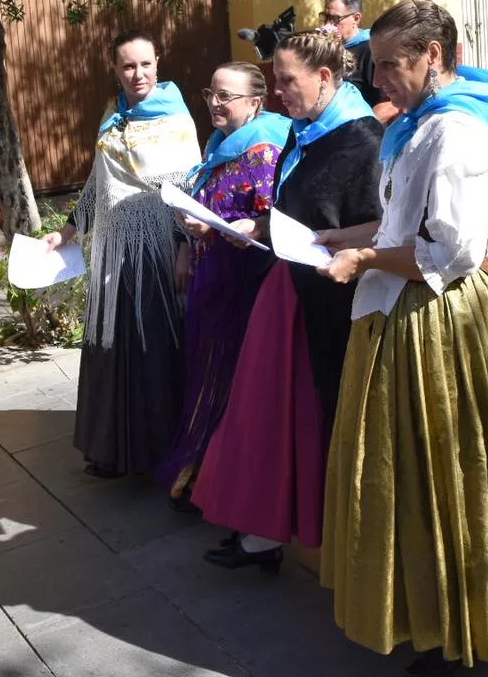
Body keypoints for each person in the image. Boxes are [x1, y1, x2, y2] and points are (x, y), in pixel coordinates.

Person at [319, 0, 488, 677]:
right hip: (405, 317)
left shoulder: (455, 135)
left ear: (432, 56)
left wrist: (362, 261)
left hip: (444, 325)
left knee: (459, 473)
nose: (377, 80)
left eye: (388, 66)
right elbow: (402, 223)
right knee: (419, 478)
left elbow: (447, 253)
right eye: (373, 65)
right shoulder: (418, 125)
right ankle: (435, 615)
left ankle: (476, 631)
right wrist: (349, 237)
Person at [191, 30, 383, 571]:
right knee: (265, 419)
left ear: (325, 77)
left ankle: (296, 535)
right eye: (275, 80)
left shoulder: (360, 139)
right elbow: (295, 205)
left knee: (298, 422)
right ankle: (263, 531)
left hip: (326, 307)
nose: (278, 92)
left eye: (287, 80)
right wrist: (255, 223)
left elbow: (370, 230)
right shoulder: (307, 128)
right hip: (290, 289)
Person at [46, 32, 201, 478]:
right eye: (129, 66)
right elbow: (99, 182)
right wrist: (71, 229)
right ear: (114, 69)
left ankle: (158, 450)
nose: (139, 75)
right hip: (114, 249)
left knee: (152, 344)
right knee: (111, 345)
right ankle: (114, 447)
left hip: (156, 246)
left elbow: (185, 191)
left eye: (146, 64)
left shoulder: (176, 118)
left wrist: (183, 248)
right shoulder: (113, 113)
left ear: (158, 63)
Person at [158, 62, 291, 510]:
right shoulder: (220, 142)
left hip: (245, 285)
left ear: (256, 102)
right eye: (211, 93)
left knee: (233, 383)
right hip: (211, 275)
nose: (215, 103)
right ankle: (203, 476)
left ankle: (225, 484)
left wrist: (215, 228)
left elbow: (271, 223)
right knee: (207, 374)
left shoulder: (265, 150)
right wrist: (188, 234)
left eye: (225, 96)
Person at [323, 0, 400, 123]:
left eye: (335, 19)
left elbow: (389, 104)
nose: (328, 24)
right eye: (326, 17)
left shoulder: (370, 50)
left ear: (356, 18)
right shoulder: (329, 49)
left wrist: (357, 129)